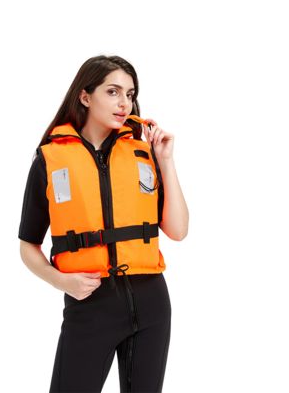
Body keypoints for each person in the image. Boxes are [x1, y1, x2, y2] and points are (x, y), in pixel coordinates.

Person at [18, 55, 189, 393]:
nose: (124, 103)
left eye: (130, 94)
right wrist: (60, 280)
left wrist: (166, 161)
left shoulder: (144, 153)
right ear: (85, 96)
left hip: (152, 302)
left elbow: (178, 230)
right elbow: (28, 245)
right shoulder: (50, 160)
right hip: (90, 303)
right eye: (113, 92)